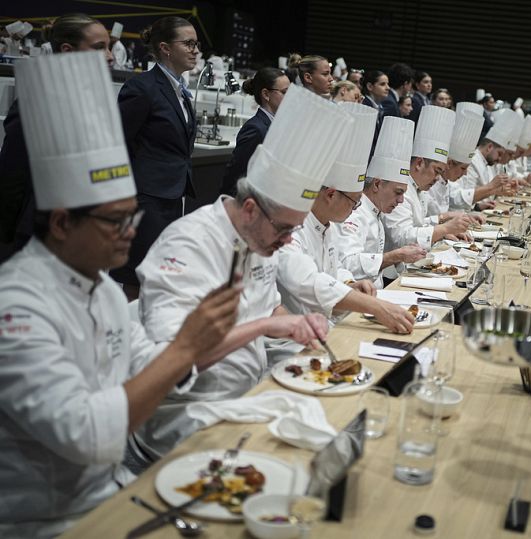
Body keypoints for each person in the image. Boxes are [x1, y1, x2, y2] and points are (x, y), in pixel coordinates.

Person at [0, 51, 239, 539]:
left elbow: (139, 364)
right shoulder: (17, 306)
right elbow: (86, 434)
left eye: (132, 215)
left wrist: (199, 347)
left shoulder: (104, 288)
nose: (132, 231)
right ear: (63, 223)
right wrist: (186, 348)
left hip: (113, 490)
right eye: (116, 221)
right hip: (44, 521)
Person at [130, 84, 342, 464]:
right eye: (283, 230)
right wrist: (262, 328)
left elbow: (269, 308)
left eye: (295, 230)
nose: (288, 241)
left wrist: (296, 321)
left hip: (245, 399)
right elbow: (169, 362)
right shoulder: (189, 245)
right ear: (249, 209)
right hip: (184, 420)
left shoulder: (261, 239)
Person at [277, 103, 416, 334]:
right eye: (354, 200)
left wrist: (351, 284)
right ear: (331, 194)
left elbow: (334, 269)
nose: (358, 206)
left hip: (326, 327)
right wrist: (375, 306)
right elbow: (309, 281)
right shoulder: (292, 227)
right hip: (292, 343)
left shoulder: (326, 225)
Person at [0, 13, 114, 264]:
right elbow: (12, 177)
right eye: (99, 48)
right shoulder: (40, 100)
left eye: (109, 47)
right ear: (68, 50)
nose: (110, 56)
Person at [110, 16, 200, 300]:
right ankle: (129, 336)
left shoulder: (181, 91)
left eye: (196, 44)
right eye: (188, 43)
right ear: (165, 48)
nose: (196, 50)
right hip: (145, 196)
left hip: (172, 194)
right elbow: (119, 142)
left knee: (161, 273)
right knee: (138, 274)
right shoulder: (142, 87)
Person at [333, 117, 429, 288]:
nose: (400, 200)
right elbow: (348, 262)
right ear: (377, 184)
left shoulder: (376, 210)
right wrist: (396, 256)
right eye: (397, 192)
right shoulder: (354, 212)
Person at [382, 106, 474, 250]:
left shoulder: (418, 187)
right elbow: (401, 236)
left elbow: (417, 224)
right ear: (419, 163)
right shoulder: (399, 189)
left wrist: (442, 229)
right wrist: (445, 229)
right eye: (436, 171)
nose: (438, 178)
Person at [221, 67, 290, 196]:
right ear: (266, 94)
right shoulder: (256, 129)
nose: (290, 97)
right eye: (285, 92)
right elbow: (236, 177)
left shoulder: (278, 124)